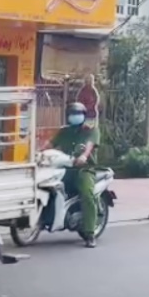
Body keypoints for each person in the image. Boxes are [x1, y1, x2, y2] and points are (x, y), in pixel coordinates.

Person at [49, 102, 100, 248]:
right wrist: (39, 152)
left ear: (84, 116)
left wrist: (83, 156)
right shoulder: (64, 131)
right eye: (72, 114)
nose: (74, 117)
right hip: (64, 168)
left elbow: (89, 146)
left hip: (84, 169)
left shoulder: (91, 130)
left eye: (78, 114)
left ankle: (90, 233)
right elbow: (50, 144)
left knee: (87, 193)